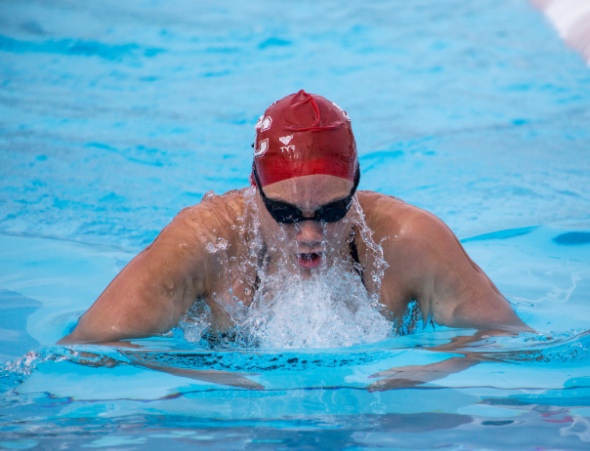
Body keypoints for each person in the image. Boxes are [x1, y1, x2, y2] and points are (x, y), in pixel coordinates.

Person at [58, 90, 530, 347]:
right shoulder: (204, 242)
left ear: (356, 189)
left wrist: (413, 376)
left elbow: (510, 340)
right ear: (254, 189)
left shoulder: (408, 240)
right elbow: (88, 349)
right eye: (285, 213)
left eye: (332, 211)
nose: (309, 235)